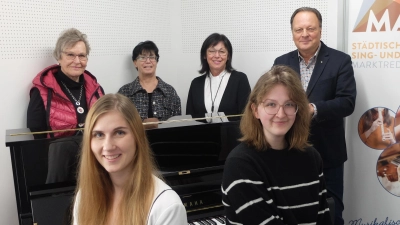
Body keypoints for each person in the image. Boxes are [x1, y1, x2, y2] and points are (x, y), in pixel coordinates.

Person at [273, 7, 356, 225]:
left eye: (310, 28)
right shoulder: (281, 63)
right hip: (288, 154)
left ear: (320, 29)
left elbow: (347, 102)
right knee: (292, 214)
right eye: (299, 29)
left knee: (331, 213)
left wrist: (313, 109)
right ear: (292, 32)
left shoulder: (340, 61)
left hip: (328, 156)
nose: (305, 34)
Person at [222, 65, 332, 225]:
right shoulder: (240, 164)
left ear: (297, 109)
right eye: (271, 104)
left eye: (289, 104)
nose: (281, 114)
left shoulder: (312, 157)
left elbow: (323, 219)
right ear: (255, 110)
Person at [72, 93, 187, 225]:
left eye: (119, 132)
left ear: (137, 137)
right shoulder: (84, 196)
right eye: (99, 134)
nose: (108, 146)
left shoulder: (167, 206)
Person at [27, 28, 104, 138]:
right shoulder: (42, 91)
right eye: (70, 55)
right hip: (58, 154)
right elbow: (36, 135)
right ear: (59, 57)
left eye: (82, 55)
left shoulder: (96, 88)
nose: (77, 61)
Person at [186, 33, 251, 122]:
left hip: (232, 135)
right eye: (212, 51)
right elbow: (190, 119)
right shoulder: (196, 83)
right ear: (205, 55)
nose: (217, 55)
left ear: (228, 56)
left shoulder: (240, 79)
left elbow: (246, 118)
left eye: (222, 51)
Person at [118, 41, 181, 125]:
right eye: (143, 57)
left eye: (152, 57)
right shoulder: (125, 92)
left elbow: (177, 124)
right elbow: (119, 124)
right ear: (135, 63)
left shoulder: (170, 91)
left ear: (156, 61)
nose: (148, 61)